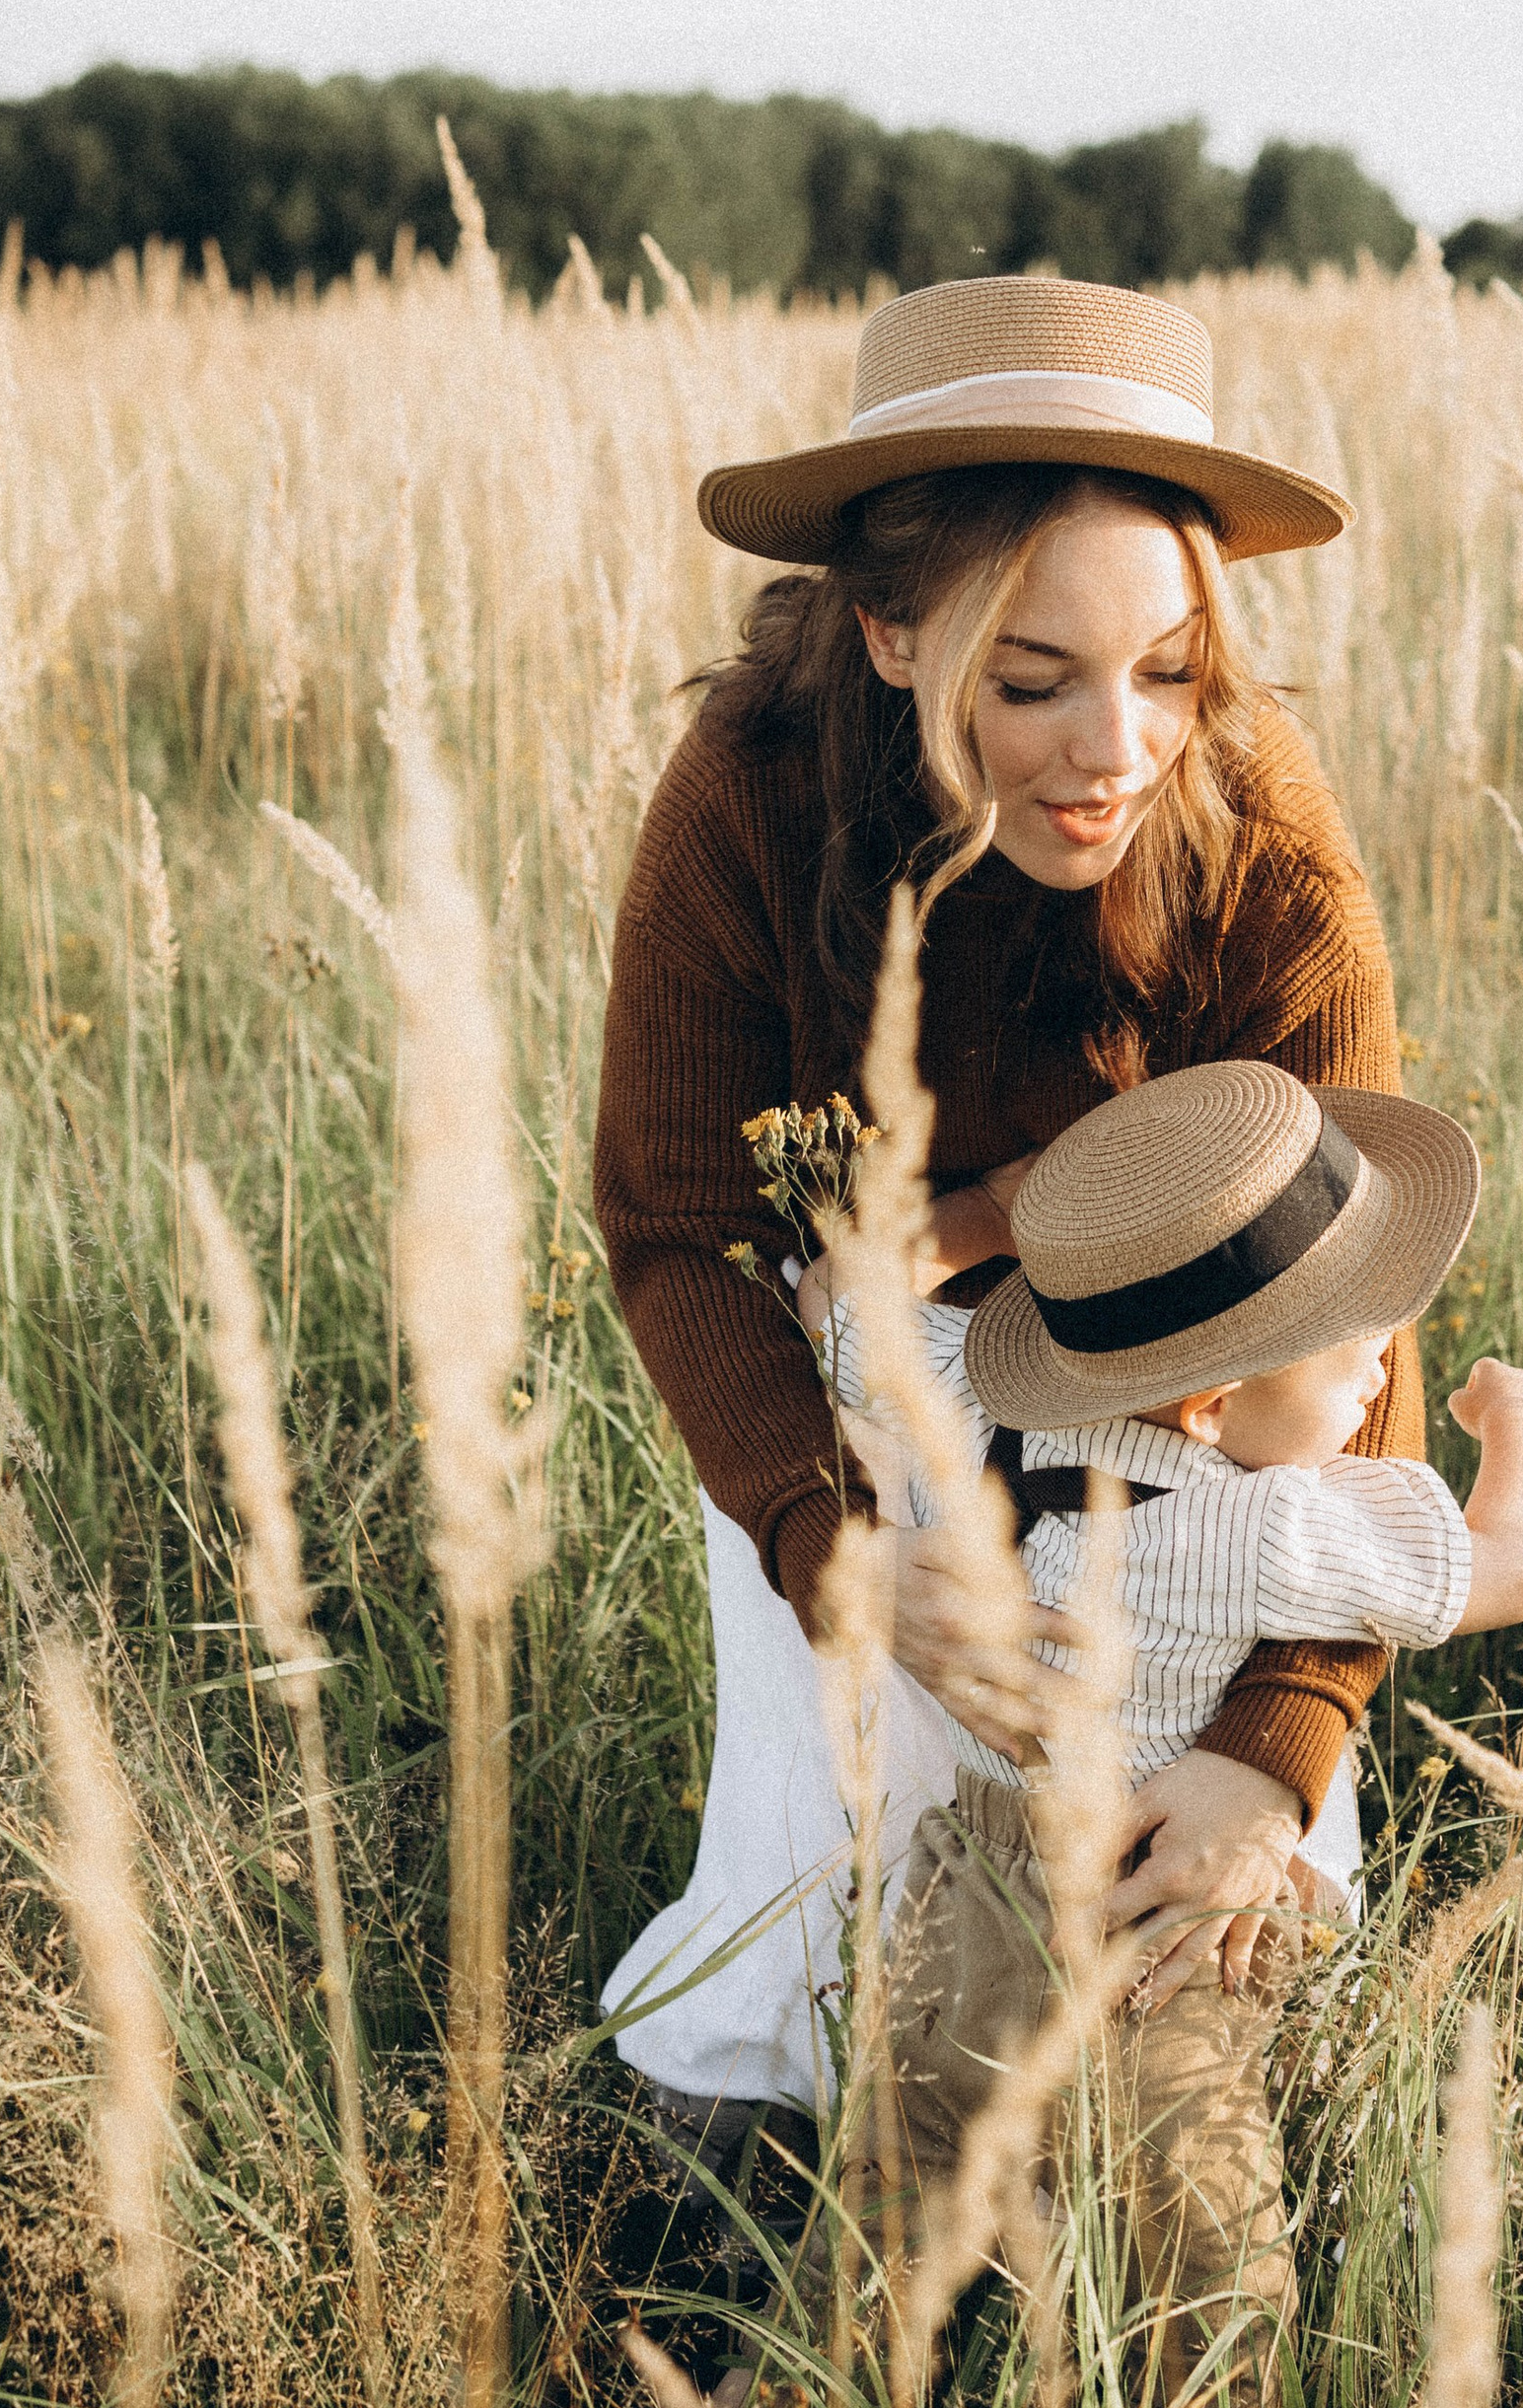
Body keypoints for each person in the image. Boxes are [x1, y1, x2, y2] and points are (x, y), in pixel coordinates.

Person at [594, 273, 1425, 2131]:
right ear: (889, 629)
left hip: (1187, 1415)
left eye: (1168, 672)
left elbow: (1357, 1277)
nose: (1114, 748)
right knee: (816, 1933)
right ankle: (730, 2236)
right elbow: (670, 1222)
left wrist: (1279, 1739)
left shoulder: (1259, 832)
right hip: (850, 1390)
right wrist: (833, 1544)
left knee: (1195, 1921)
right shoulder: (754, 789)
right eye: (1031, 680)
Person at [801, 1058, 1523, 2408]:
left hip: (969, 1896)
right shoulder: (1266, 1529)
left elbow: (836, 1302)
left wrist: (994, 1216)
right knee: (1207, 2278)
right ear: (1209, 1410)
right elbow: (1509, 1567)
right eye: (1349, 1357)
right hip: (1153, 1946)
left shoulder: (975, 1407)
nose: (1380, 1369)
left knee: (895, 2188)